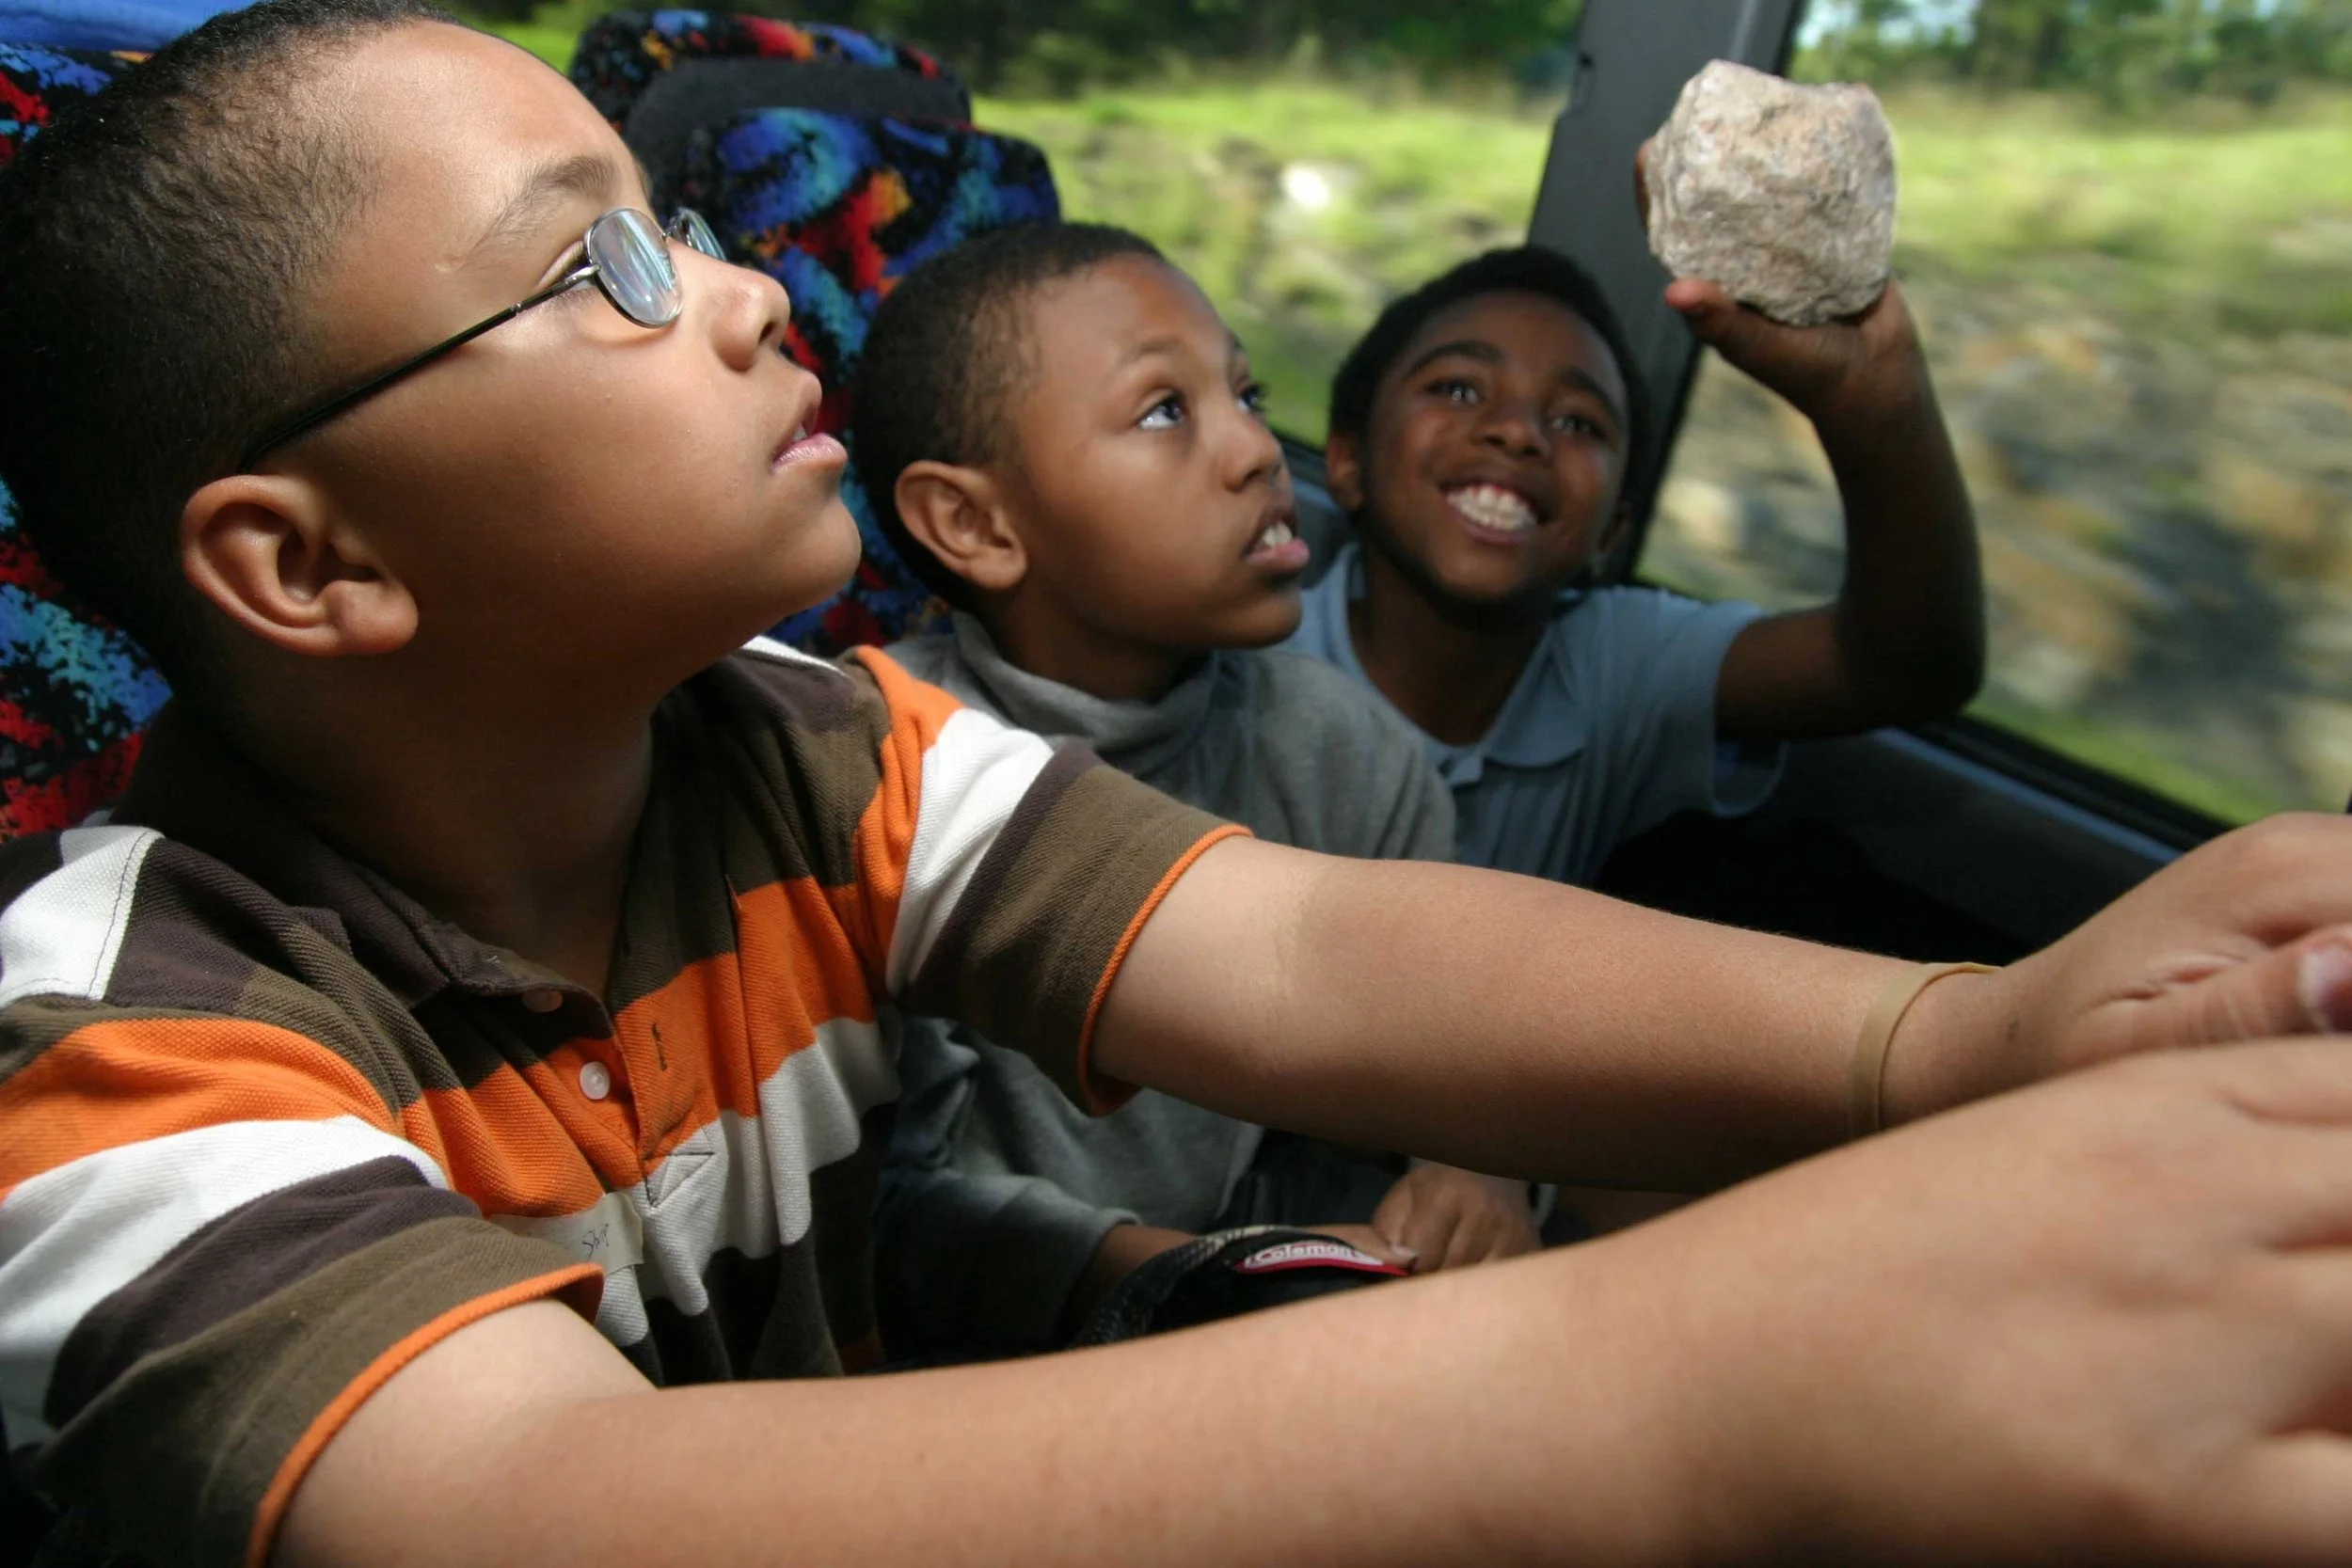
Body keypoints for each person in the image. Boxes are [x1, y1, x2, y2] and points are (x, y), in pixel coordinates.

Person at [4, 7, 2352, 1563]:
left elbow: (1305, 942)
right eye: (597, 264)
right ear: (307, 561)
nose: (737, 294)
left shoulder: (816, 751)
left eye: (698, 223)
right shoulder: (111, 1050)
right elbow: (546, 1497)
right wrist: (1690, 1377)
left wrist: (1958, 1034)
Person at [850, 221, 1535, 1361]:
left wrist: (1476, 1162)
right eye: (1164, 411)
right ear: (976, 524)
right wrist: (1204, 1282)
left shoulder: (1340, 748)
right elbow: (896, 1222)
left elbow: (1465, 1029)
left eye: (1249, 393)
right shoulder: (885, 784)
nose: (1258, 451)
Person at [1288, 242, 1984, 886]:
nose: (1519, 432)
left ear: (1612, 531)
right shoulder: (1252, 669)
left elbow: (1905, 668)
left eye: (1578, 423)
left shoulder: (1610, 668)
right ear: (1348, 462)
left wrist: (1877, 400)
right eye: (1461, 389)